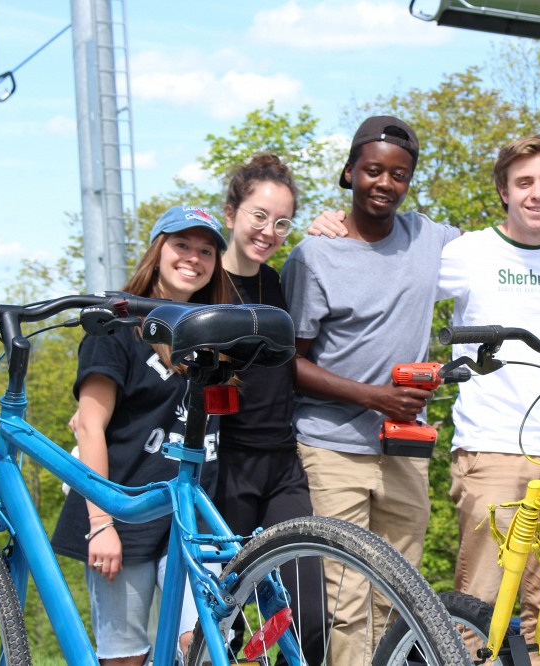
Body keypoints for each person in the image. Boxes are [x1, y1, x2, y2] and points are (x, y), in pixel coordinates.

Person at [282, 115, 460, 664]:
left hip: (403, 448)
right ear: (349, 173)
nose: (385, 183)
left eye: (398, 175)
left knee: (398, 597)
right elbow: (289, 363)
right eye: (373, 171)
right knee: (348, 600)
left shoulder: (428, 238)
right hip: (331, 447)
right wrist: (372, 396)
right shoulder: (315, 255)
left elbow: (505, 242)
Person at [438, 135, 540, 666]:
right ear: (503, 191)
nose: (537, 193)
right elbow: (398, 281)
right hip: (490, 449)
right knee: (479, 608)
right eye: (524, 183)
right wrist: (342, 226)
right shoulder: (467, 253)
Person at [52, 206, 228, 665]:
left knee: (203, 644)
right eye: (182, 244)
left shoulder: (215, 332)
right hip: (123, 513)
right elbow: (89, 424)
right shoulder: (115, 325)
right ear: (157, 251)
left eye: (206, 251)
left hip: (189, 515)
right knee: (124, 656)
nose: (194, 258)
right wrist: (101, 523)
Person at [215, 153, 324, 664]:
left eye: (282, 222)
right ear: (231, 212)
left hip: (282, 465)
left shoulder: (277, 281)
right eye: (259, 216)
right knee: (223, 621)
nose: (269, 231)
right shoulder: (203, 283)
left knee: (308, 618)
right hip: (224, 467)